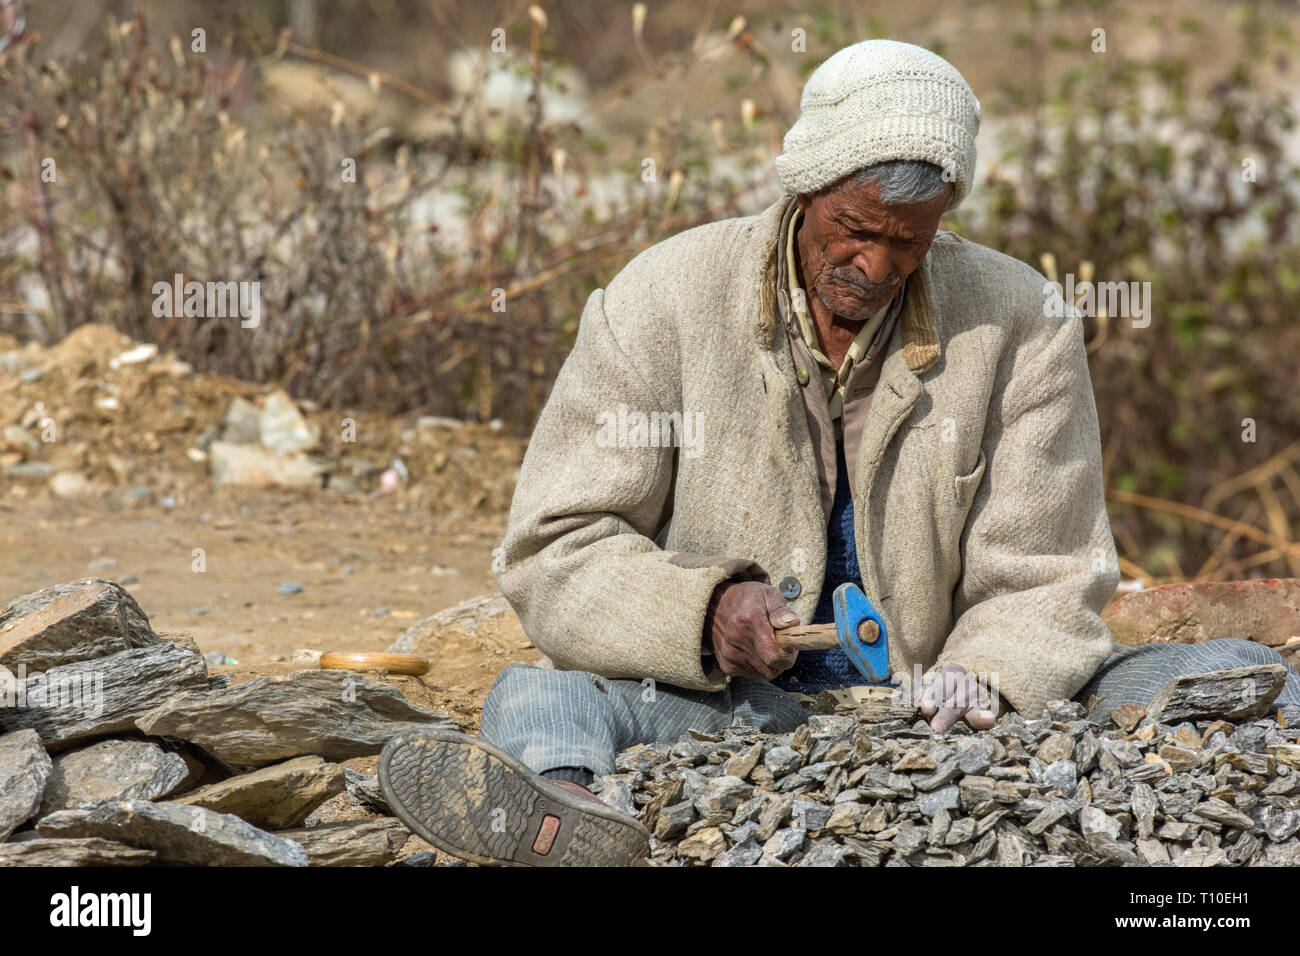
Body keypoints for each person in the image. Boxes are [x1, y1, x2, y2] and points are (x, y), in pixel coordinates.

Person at [378, 39, 1300, 867]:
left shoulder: (1020, 322)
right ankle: (573, 817)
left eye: (911, 243)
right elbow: (555, 548)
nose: (877, 266)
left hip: (943, 717)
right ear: (805, 189)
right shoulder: (661, 300)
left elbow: (1048, 573)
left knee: (1216, 678)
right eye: (854, 230)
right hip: (723, 710)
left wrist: (984, 683)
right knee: (546, 700)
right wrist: (699, 612)